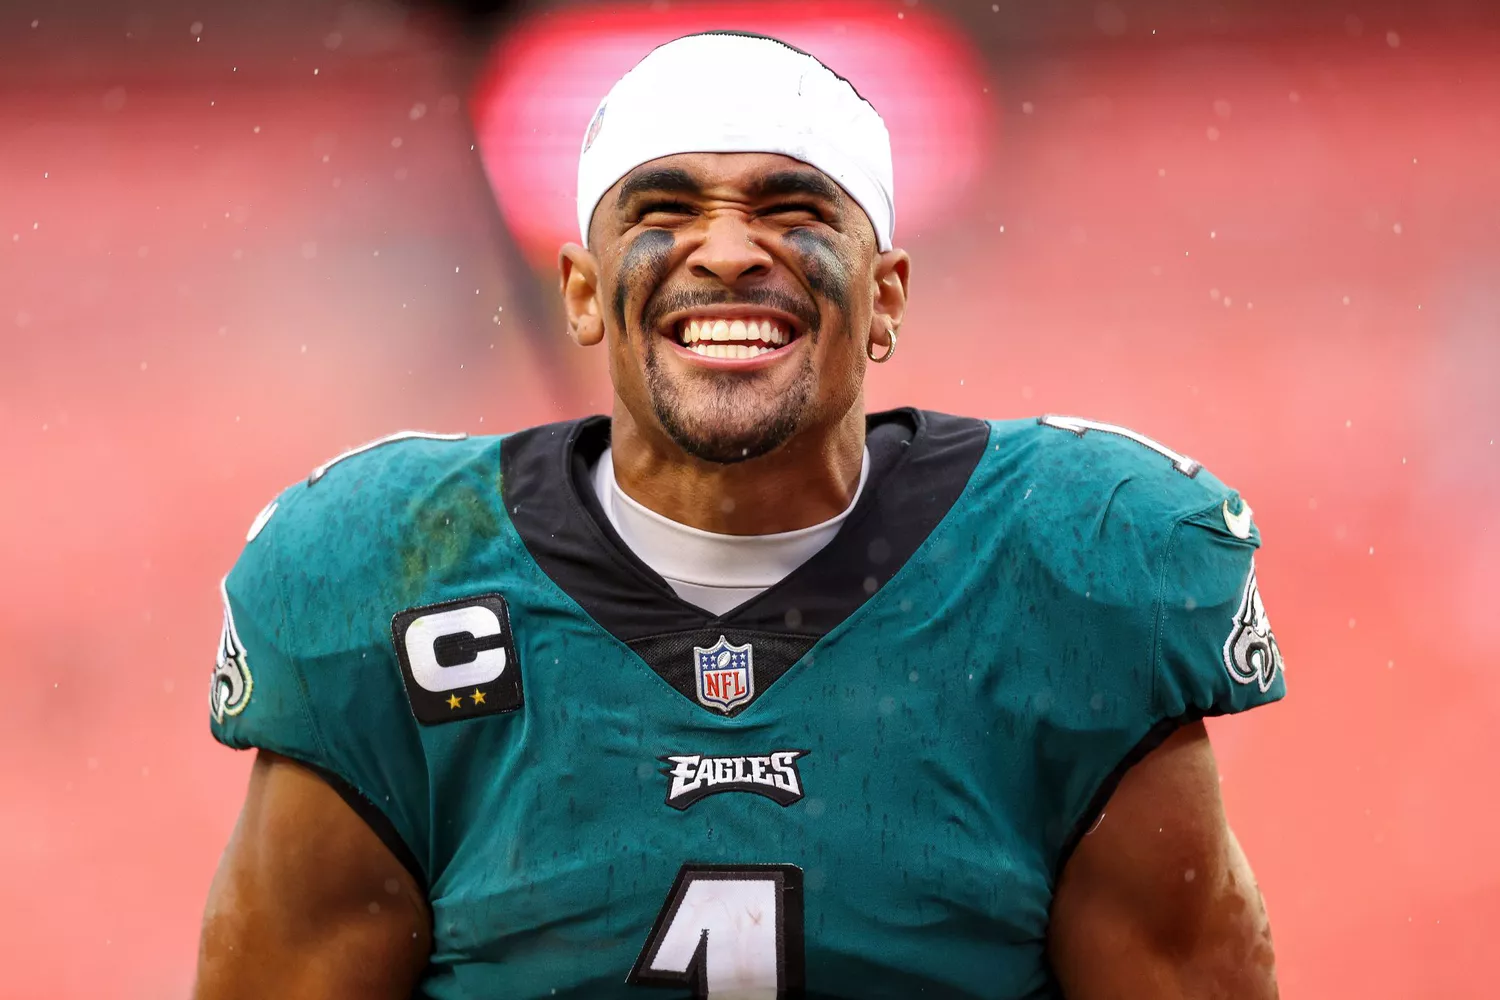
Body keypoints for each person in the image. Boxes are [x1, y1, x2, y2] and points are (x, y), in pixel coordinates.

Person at [194, 31, 1285, 1000]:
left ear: (888, 293)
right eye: (664, 211)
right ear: (581, 290)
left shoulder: (1072, 570)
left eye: (792, 209)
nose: (725, 251)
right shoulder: (392, 574)